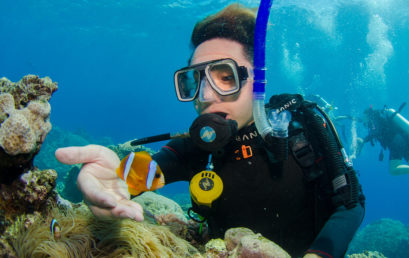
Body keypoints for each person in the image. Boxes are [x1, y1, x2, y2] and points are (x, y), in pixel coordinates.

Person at [55, 4, 365, 258]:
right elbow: (151, 171)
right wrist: (117, 178)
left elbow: (350, 205)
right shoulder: (200, 146)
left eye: (224, 77)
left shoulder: (303, 128)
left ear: (258, 82)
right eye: (193, 81)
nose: (205, 96)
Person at [358, 105, 409, 175]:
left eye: (364, 117)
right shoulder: (379, 118)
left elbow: (377, 132)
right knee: (394, 170)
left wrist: (364, 139)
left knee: (393, 169)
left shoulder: (375, 119)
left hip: (396, 142)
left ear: (368, 115)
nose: (363, 120)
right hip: (403, 139)